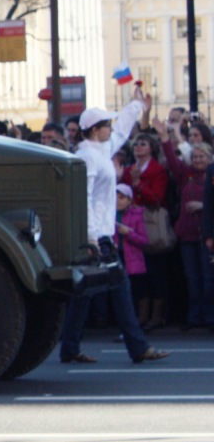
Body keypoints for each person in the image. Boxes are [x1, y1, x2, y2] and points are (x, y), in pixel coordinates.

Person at [58, 89, 168, 364]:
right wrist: (93, 236)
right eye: (106, 124)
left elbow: (120, 133)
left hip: (99, 233)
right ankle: (137, 346)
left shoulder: (97, 149)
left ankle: (70, 348)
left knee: (84, 292)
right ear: (95, 130)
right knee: (120, 288)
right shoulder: (88, 156)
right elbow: (83, 199)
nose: (110, 128)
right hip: (97, 235)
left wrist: (136, 106)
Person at [160, 122, 214, 329]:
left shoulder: (211, 176)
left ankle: (209, 316)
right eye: (195, 157)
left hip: (207, 235)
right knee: (192, 279)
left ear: (210, 159)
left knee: (208, 278)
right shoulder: (186, 176)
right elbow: (173, 162)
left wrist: (203, 205)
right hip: (188, 236)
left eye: (202, 157)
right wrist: (166, 138)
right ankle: (194, 317)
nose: (198, 160)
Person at [127, 131, 170, 329]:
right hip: (132, 225)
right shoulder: (129, 169)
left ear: (151, 148)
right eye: (136, 144)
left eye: (143, 144)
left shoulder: (158, 170)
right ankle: (141, 316)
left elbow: (157, 199)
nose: (138, 147)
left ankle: (156, 315)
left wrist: (138, 185)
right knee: (138, 274)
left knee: (155, 271)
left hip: (151, 224)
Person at [114, 184, 149, 314]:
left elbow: (144, 240)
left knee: (137, 291)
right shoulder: (109, 215)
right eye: (115, 197)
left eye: (122, 197)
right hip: (117, 256)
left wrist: (128, 233)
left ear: (129, 200)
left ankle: (141, 318)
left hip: (133, 259)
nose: (117, 200)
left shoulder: (137, 215)